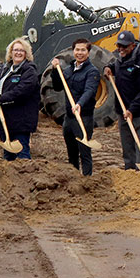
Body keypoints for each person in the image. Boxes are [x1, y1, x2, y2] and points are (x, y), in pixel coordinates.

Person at [104, 31, 140, 170]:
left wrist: (132, 109)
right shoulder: (121, 57)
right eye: (119, 45)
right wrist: (108, 68)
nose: (120, 49)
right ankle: (129, 172)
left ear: (133, 45)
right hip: (123, 110)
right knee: (127, 146)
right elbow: (116, 65)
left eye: (124, 46)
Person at [51, 38, 100, 175]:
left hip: (83, 118)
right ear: (73, 51)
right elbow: (57, 86)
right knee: (71, 152)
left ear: (88, 52)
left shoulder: (92, 71)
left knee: (84, 152)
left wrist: (79, 104)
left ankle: (88, 180)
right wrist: (55, 70)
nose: (80, 53)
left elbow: (89, 91)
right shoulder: (68, 70)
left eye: (83, 50)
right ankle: (73, 179)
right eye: (77, 50)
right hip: (69, 118)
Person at [0, 37, 39, 160]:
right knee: (8, 154)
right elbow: (1, 85)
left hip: (20, 119)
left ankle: (26, 178)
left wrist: (2, 99)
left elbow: (21, 91)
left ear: (26, 54)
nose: (18, 53)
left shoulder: (29, 71)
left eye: (22, 50)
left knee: (22, 153)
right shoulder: (6, 68)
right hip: (5, 117)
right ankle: (10, 178)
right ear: (11, 52)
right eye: (15, 50)